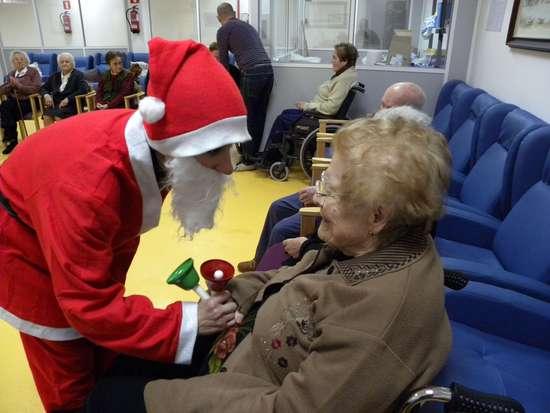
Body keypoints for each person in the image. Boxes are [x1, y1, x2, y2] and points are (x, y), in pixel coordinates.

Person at [87, 116, 453, 413]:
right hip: (243, 343)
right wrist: (233, 294)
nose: (316, 198)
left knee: (107, 398)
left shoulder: (378, 322)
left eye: (330, 189)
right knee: (121, 363)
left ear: (377, 216)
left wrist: (173, 398)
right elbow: (288, 276)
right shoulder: (374, 245)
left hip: (242, 382)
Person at [0, 38, 251, 412]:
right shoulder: (89, 187)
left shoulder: (156, 145)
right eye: (214, 151)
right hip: (24, 255)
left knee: (104, 350)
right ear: (176, 149)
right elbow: (87, 304)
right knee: (70, 380)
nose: (228, 167)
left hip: (67, 231)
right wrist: (187, 322)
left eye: (229, 149)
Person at [238, 82, 429, 272]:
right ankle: (260, 262)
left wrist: (307, 245)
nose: (379, 112)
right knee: (278, 207)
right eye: (382, 104)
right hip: (331, 192)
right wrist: (322, 189)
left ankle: (267, 277)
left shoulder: (401, 163)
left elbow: (355, 213)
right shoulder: (381, 135)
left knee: (283, 230)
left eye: (388, 107)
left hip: (339, 204)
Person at [262, 43, 358, 153]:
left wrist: (307, 106)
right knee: (285, 113)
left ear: (344, 61)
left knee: (282, 119)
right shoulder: (345, 75)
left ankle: (271, 156)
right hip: (317, 114)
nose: (331, 60)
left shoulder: (343, 80)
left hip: (319, 118)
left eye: (334, 57)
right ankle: (274, 154)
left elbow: (331, 108)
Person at [216, 2, 273, 171]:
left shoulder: (223, 30)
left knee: (247, 116)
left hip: (252, 72)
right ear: (234, 13)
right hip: (268, 71)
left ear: (219, 18)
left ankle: (248, 161)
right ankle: (253, 155)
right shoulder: (247, 27)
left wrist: (222, 88)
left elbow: (224, 64)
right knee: (259, 115)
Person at [0, 50, 41, 155]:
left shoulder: (33, 72)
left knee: (5, 108)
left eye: (21, 59)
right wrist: (10, 85)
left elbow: (36, 89)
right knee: (6, 107)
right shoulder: (11, 74)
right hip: (14, 103)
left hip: (29, 101)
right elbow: (3, 90)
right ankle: (13, 139)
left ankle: (10, 139)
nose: (18, 61)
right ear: (12, 62)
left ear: (26, 60)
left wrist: (19, 85)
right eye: (16, 60)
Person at [40, 52, 89, 127]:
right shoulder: (54, 76)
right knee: (46, 116)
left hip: (72, 105)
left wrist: (68, 99)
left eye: (67, 61)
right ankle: (51, 138)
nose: (64, 64)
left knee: (58, 117)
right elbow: (43, 88)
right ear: (59, 64)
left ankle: (64, 137)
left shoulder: (78, 75)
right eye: (62, 62)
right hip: (56, 105)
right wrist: (46, 95)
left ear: (72, 63)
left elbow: (83, 89)